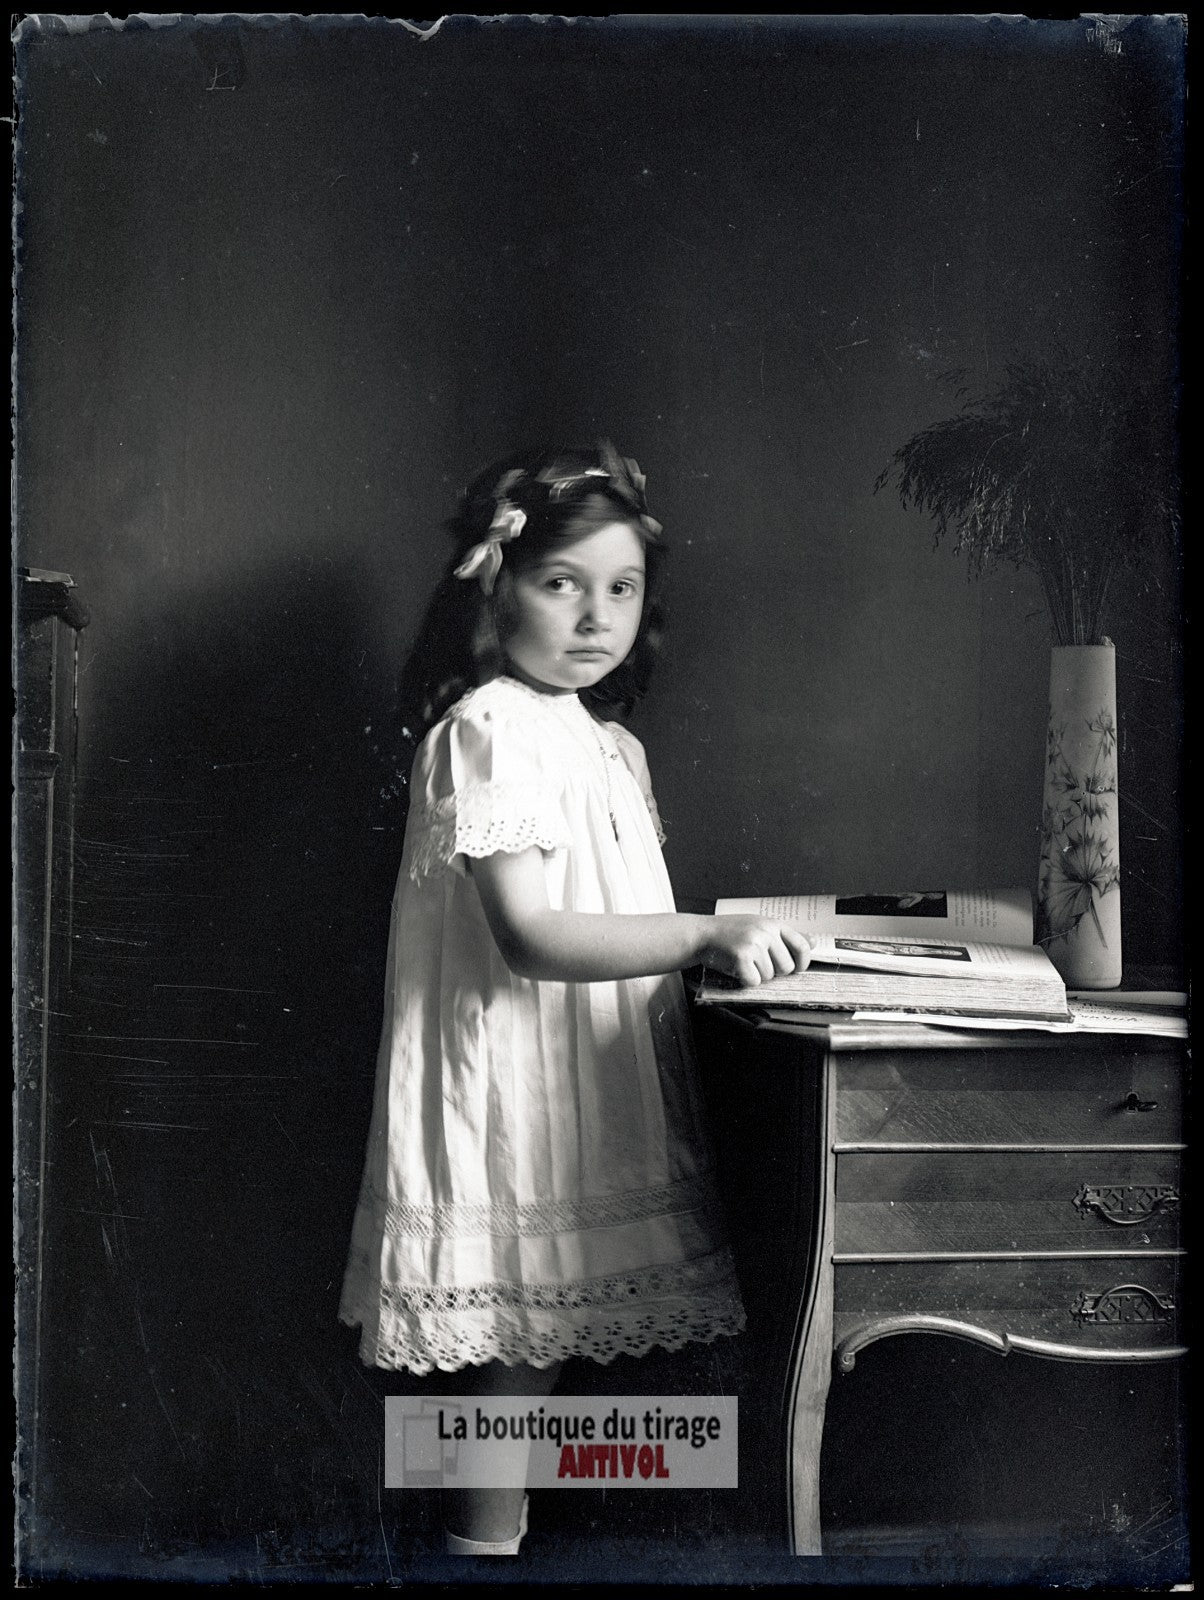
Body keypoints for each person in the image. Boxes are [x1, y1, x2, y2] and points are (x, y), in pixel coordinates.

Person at [338, 442, 812, 1555]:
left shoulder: (608, 746)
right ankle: (478, 1545)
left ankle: (492, 1530)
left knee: (539, 1357)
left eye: (621, 588)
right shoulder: (490, 727)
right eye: (561, 583)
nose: (595, 616)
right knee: (516, 1346)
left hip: (587, 1081)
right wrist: (705, 933)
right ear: (493, 582)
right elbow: (532, 934)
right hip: (512, 1085)